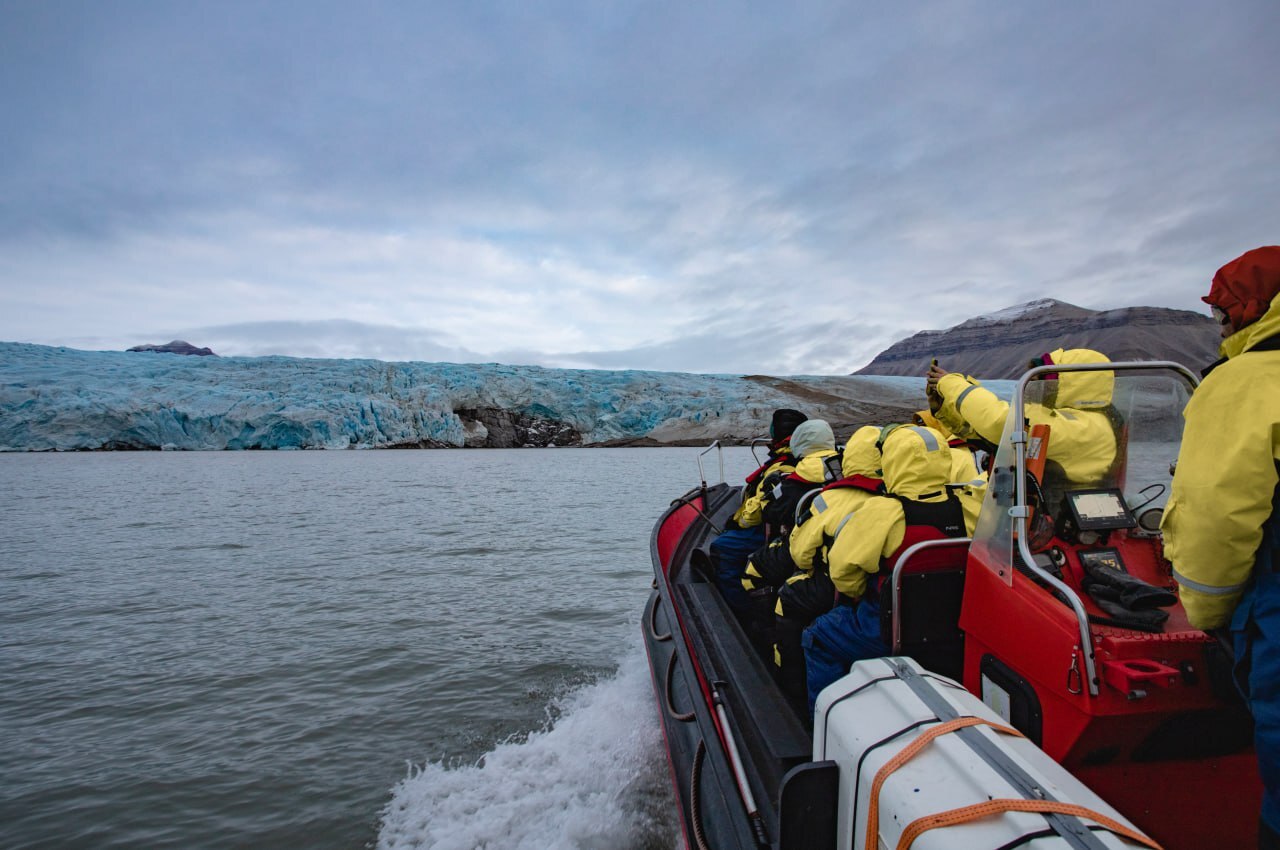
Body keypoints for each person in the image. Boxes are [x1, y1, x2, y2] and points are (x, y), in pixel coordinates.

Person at [1161, 245, 1280, 849]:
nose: (1218, 328)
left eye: (1221, 314)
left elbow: (1215, 512)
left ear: (1248, 309)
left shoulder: (1248, 383)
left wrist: (1205, 613)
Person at [801, 425, 969, 713]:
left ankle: (827, 720)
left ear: (892, 460)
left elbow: (843, 570)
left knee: (818, 635)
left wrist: (855, 594)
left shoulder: (884, 511)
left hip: (887, 630)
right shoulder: (969, 503)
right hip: (953, 627)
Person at [771, 425, 883, 708]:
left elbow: (801, 555)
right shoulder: (894, 500)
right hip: (897, 602)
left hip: (846, 592)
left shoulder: (830, 499)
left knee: (791, 606)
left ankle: (798, 697)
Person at [927, 348, 1118, 489]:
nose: (1036, 386)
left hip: (1051, 528)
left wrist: (952, 385)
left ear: (1072, 383)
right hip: (1030, 520)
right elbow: (996, 438)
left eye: (1045, 379)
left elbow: (999, 422)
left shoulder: (1087, 427)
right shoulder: (1057, 417)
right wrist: (946, 409)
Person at [710, 408, 806, 617]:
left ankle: (741, 613)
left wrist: (735, 523)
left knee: (722, 547)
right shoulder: (809, 460)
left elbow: (758, 508)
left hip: (772, 530)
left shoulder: (781, 467)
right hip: (796, 527)